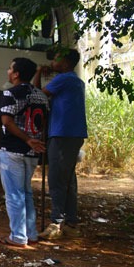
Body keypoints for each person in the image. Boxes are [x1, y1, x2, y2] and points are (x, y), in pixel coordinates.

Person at [34, 49, 88, 240]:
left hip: (63, 134)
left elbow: (37, 96)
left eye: (56, 59)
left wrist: (40, 72)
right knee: (68, 180)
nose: (53, 61)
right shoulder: (74, 80)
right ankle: (71, 223)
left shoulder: (64, 79)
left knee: (57, 178)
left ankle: (56, 222)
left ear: (65, 63)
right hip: (72, 134)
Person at [0, 57, 50, 248]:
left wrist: (26, 138)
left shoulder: (10, 94)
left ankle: (18, 236)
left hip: (12, 150)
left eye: (11, 69)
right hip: (32, 152)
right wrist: (33, 142)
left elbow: (7, 122)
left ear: (17, 74)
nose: (8, 72)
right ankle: (31, 234)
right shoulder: (41, 97)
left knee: (14, 195)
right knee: (26, 193)